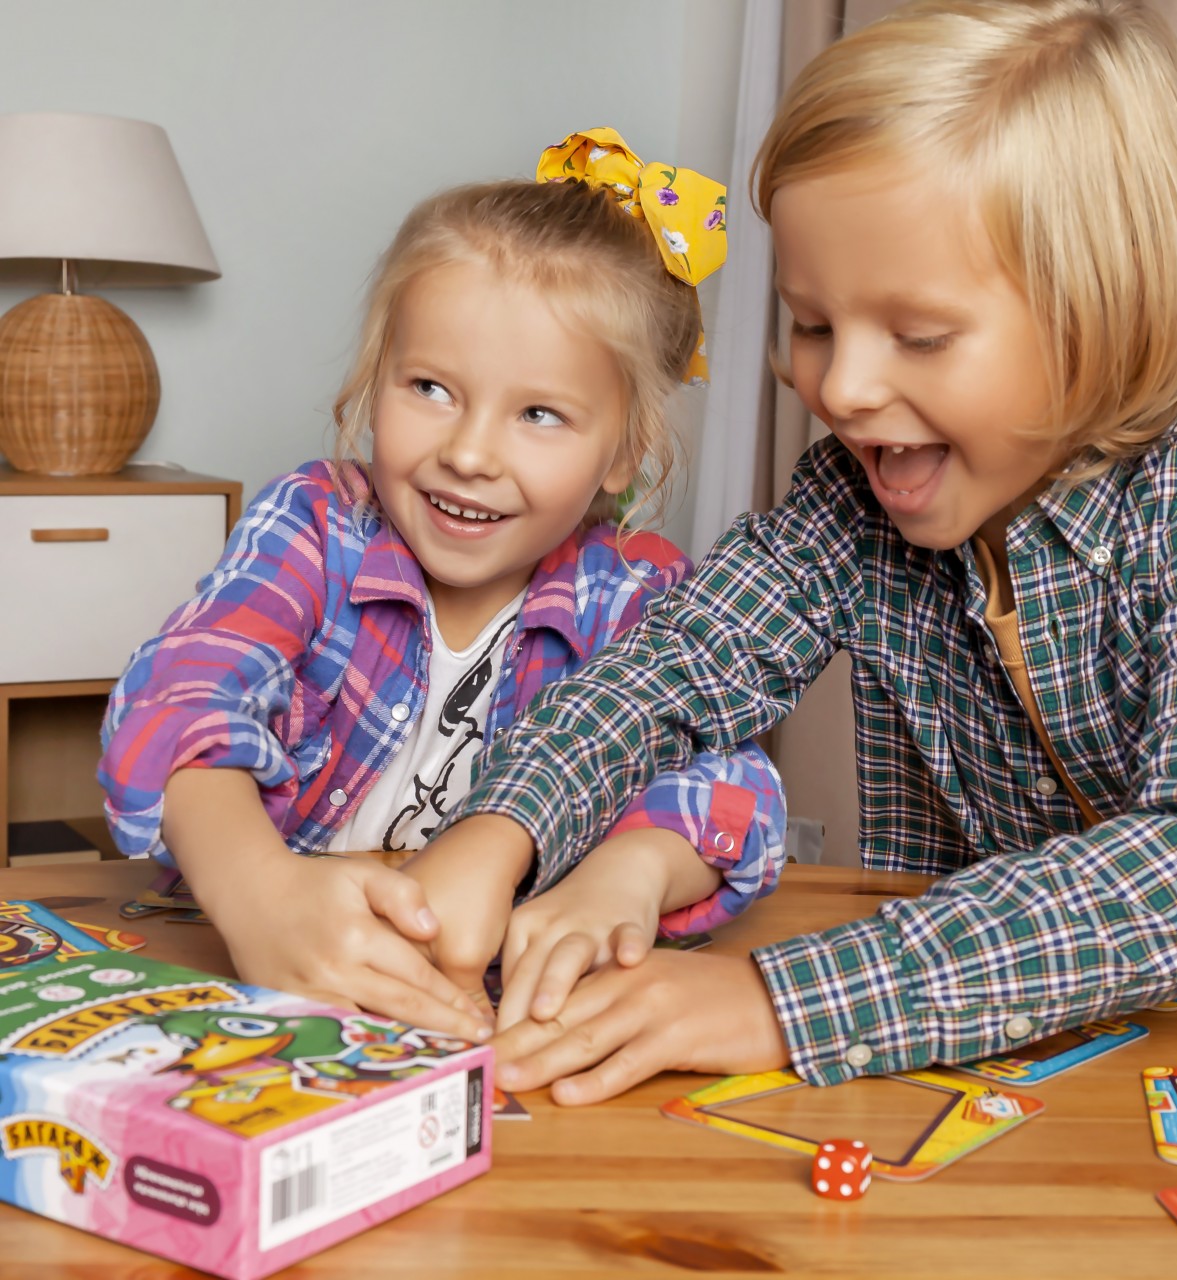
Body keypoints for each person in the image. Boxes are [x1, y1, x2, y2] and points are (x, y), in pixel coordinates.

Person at [426, 0, 1177, 1103]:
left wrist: (775, 1001)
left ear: (1105, 310)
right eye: (812, 324)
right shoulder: (853, 491)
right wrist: (502, 830)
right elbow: (675, 666)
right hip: (993, 1038)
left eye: (917, 336)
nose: (838, 389)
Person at [98, 129, 785, 1044]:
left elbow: (736, 791)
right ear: (370, 382)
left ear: (624, 453)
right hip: (269, 991)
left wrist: (627, 877)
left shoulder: (635, 592)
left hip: (490, 1018)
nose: (467, 453)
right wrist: (259, 894)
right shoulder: (315, 525)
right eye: (429, 387)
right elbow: (177, 695)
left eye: (539, 413)